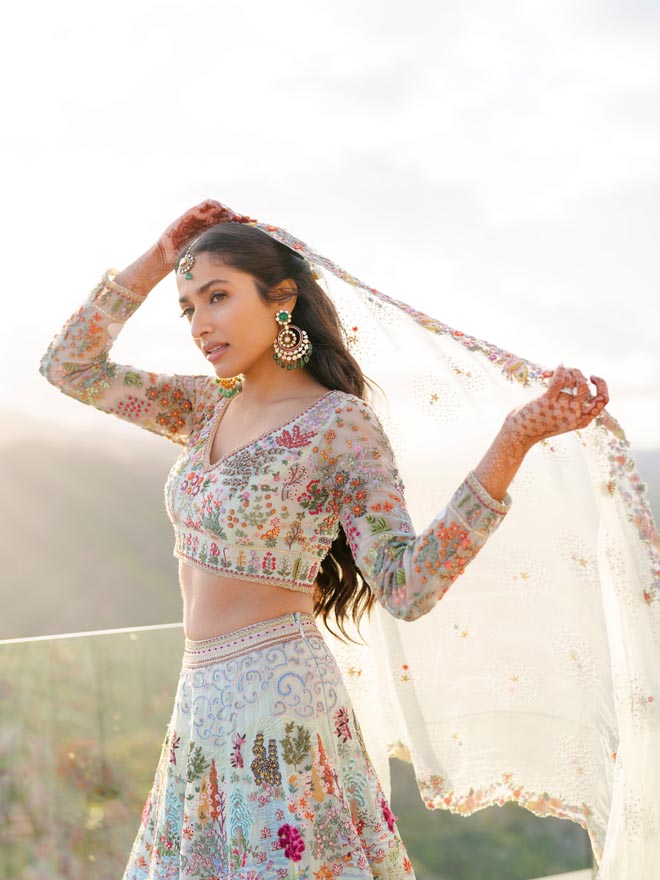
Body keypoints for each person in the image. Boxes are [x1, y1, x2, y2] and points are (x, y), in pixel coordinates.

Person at [40, 200, 609, 879]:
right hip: (201, 701)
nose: (200, 323)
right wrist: (160, 258)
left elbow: (409, 584)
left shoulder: (338, 426)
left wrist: (513, 441)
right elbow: (69, 368)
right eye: (188, 307)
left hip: (280, 701)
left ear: (281, 300)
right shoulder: (204, 406)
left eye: (217, 296)